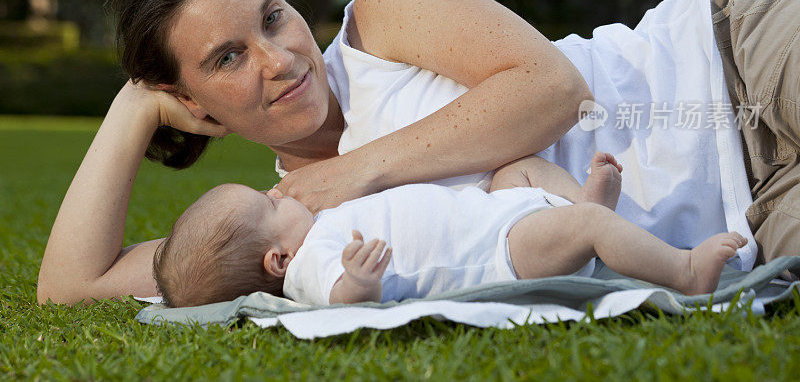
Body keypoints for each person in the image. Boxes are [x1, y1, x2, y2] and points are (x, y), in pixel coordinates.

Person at [36, 0, 800, 306]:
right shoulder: (279, 237)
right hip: (754, 215)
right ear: (194, 101)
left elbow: (554, 90)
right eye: (229, 56)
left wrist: (353, 169)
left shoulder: (378, 20)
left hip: (730, 57)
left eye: (274, 16)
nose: (279, 59)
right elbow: (71, 286)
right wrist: (135, 101)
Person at [153, 152, 746, 307]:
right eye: (267, 203)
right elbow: (341, 300)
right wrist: (357, 283)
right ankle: (685, 271)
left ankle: (580, 211)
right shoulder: (313, 264)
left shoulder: (318, 228)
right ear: (277, 261)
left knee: (516, 168)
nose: (278, 191)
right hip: (497, 252)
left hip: (491, 215)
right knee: (587, 226)